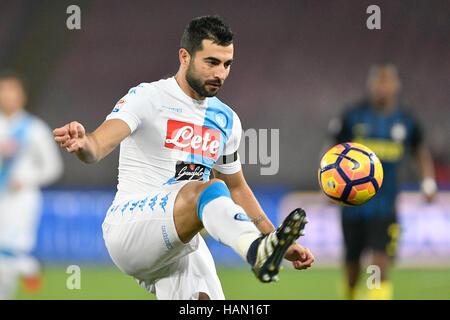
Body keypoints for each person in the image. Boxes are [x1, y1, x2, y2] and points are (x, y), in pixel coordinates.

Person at [53, 15, 314, 300]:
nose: (221, 74)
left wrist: (273, 237)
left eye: (227, 64)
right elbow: (98, 146)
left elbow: (238, 188)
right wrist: (83, 142)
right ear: (184, 56)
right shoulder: (148, 97)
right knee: (208, 188)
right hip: (130, 226)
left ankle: (261, 249)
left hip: (180, 241)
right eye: (212, 62)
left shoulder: (227, 119)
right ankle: (255, 251)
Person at [328, 63, 437, 300]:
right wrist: (328, 183)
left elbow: (420, 151)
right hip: (352, 207)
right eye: (378, 81)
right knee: (353, 270)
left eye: (387, 82)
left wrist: (428, 182)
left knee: (380, 264)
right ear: (370, 84)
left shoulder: (406, 120)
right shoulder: (353, 116)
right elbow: (332, 151)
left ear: (396, 86)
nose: (382, 87)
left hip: (386, 208)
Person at [0, 71, 64, 299]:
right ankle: (29, 267)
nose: (7, 96)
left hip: (21, 201)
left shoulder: (34, 129)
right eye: (3, 90)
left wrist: (26, 179)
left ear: (22, 96)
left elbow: (54, 167)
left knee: (8, 249)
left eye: (12, 90)